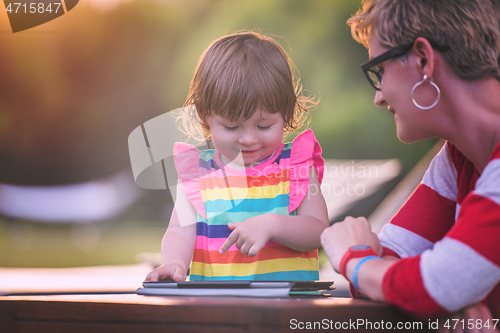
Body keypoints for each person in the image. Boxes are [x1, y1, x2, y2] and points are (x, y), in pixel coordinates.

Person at [320, 0, 500, 326]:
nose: (378, 96)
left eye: (380, 70)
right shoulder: (457, 159)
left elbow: (433, 286)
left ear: (423, 59)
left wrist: (353, 260)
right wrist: (440, 297)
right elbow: (394, 264)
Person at [146, 32, 329, 282]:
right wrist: (175, 264)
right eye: (232, 127)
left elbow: (319, 231)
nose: (249, 139)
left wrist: (274, 224)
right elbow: (179, 230)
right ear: (204, 116)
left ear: (285, 113)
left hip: (286, 310)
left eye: (264, 126)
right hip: (217, 309)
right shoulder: (198, 174)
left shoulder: (295, 166)